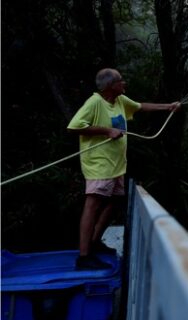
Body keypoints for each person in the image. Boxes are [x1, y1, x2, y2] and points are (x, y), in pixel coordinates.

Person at [67, 68, 180, 270]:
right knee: (92, 205)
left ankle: (95, 242)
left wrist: (168, 107)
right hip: (99, 165)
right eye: (121, 81)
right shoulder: (95, 103)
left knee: (116, 202)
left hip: (117, 166)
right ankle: (84, 257)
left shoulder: (120, 101)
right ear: (111, 86)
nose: (124, 83)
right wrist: (106, 130)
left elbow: (141, 107)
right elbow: (74, 126)